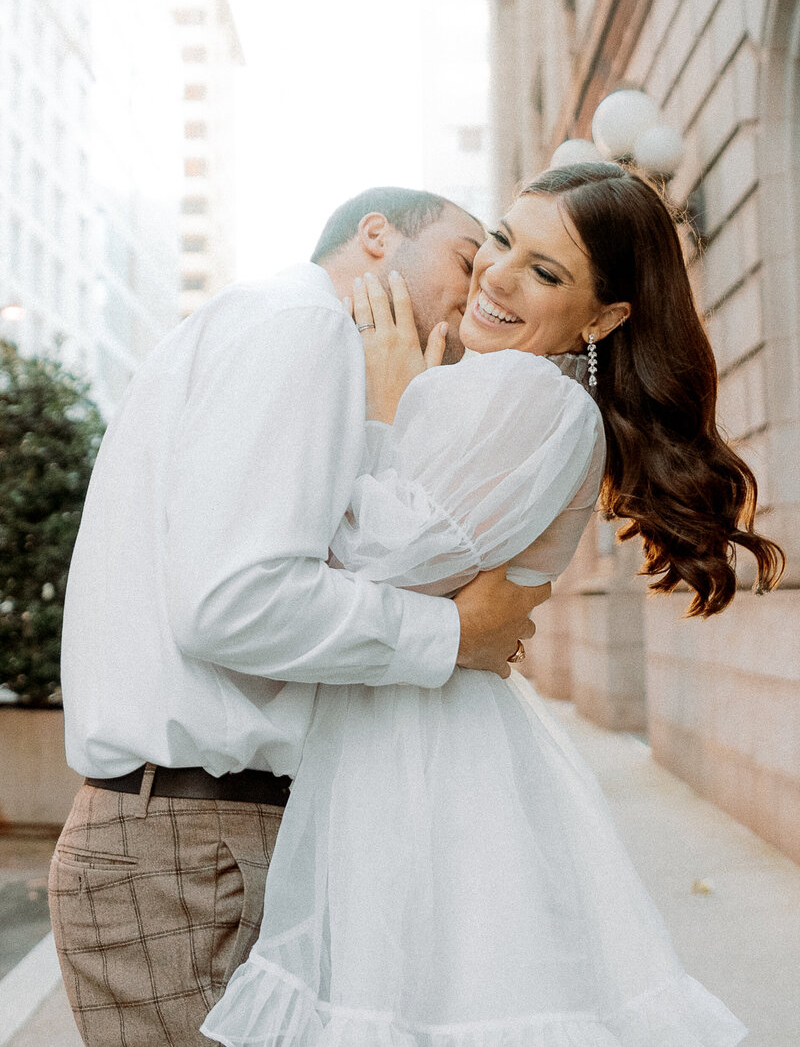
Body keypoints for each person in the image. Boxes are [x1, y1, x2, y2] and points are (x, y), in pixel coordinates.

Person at [201, 163, 784, 1047]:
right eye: (504, 239)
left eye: (546, 272)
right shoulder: (495, 387)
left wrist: (387, 402)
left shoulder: (533, 396)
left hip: (427, 758)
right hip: (405, 735)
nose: (499, 275)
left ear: (603, 318)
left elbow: (376, 552)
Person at [48, 187, 550, 1047]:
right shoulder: (306, 325)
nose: (480, 292)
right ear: (377, 235)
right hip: (192, 848)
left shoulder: (276, 332)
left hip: (192, 839)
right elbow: (236, 602)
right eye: (469, 259)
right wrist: (456, 636)